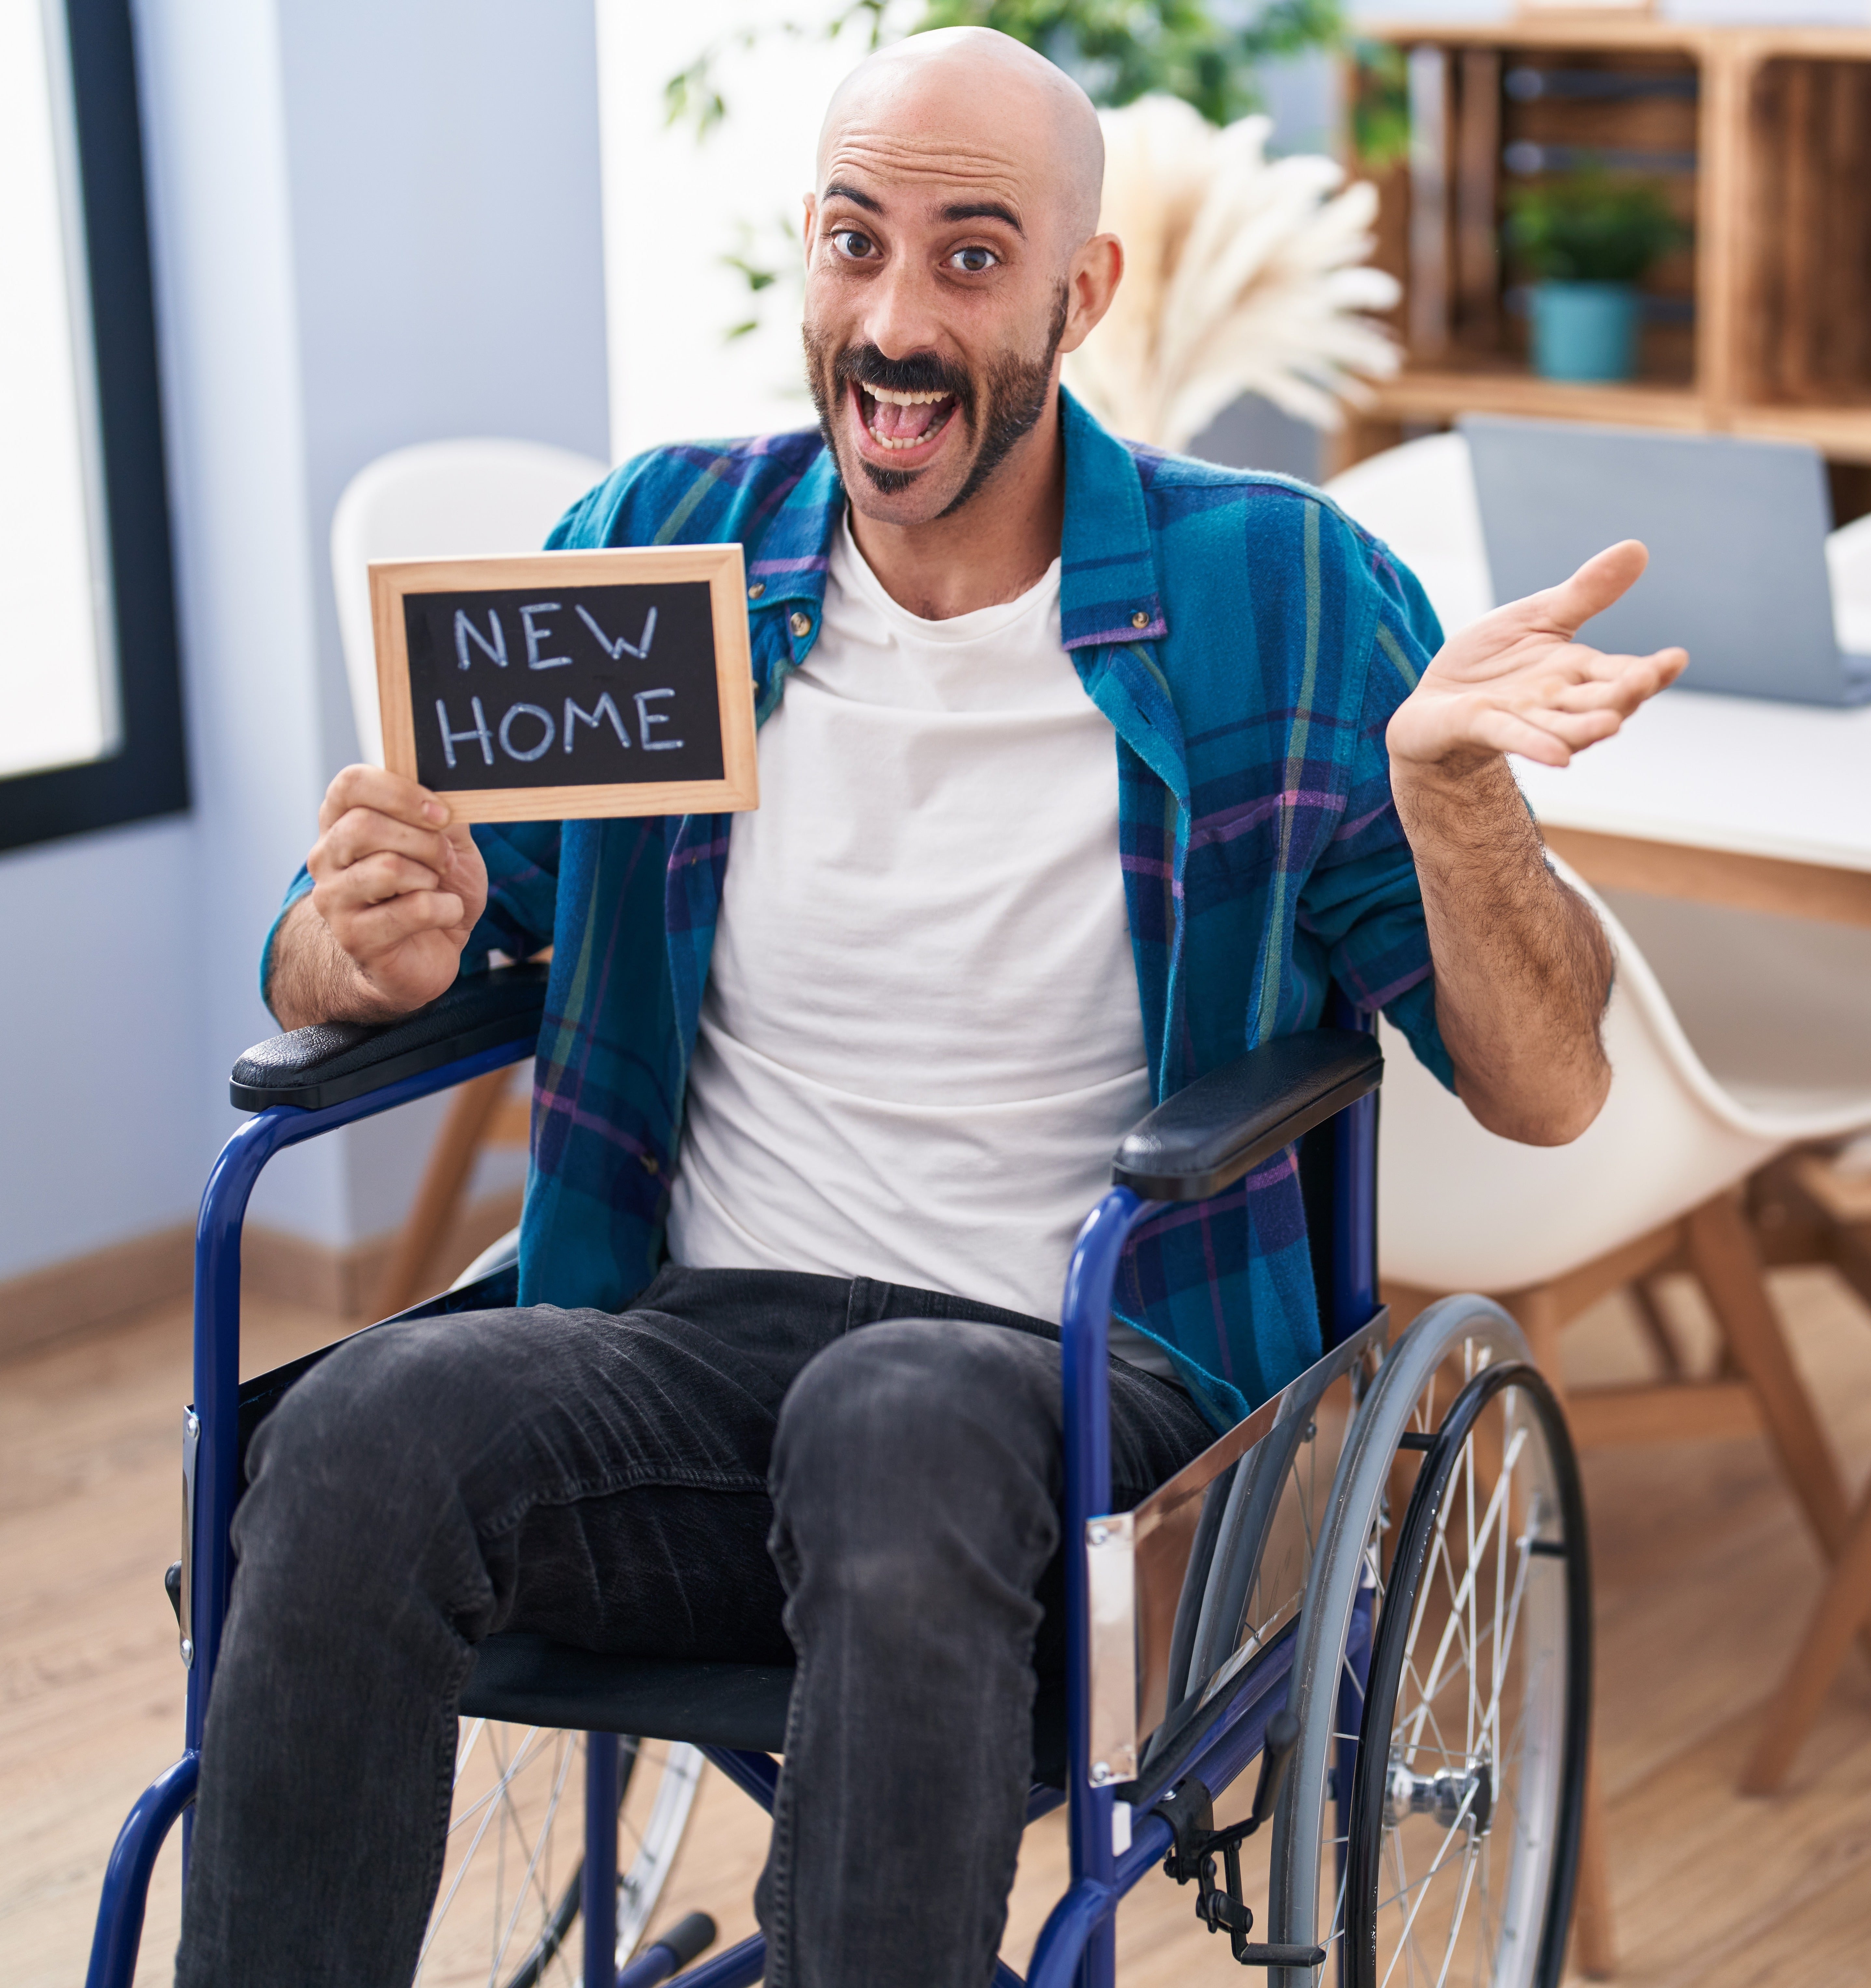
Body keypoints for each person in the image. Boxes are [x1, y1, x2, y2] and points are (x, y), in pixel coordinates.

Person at [176, 27, 1685, 1988]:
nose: (895, 319)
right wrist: (347, 943)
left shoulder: (1284, 593)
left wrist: (1458, 803)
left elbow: (1551, 1086)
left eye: (971, 258)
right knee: (364, 1424)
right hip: (689, 1353)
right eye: (852, 242)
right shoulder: (664, 544)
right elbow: (390, 914)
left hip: (1087, 1411)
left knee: (893, 1416)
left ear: (1085, 291)